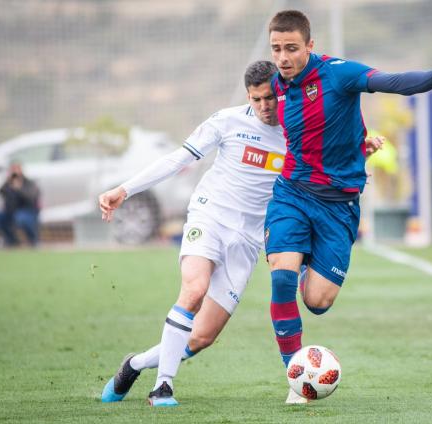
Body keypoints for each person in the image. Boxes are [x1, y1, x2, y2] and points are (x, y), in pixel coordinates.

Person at [98, 60, 384, 407]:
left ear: (282, 92)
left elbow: (330, 173)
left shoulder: (299, 131)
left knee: (202, 336)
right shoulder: (227, 121)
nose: (264, 106)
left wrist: (361, 157)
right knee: (194, 289)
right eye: (255, 99)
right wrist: (124, 190)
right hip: (211, 216)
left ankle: (135, 364)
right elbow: (176, 160)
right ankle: (163, 387)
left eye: (269, 98)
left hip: (249, 239)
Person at [263, 9, 432, 395]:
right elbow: (260, 120)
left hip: (339, 204)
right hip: (292, 192)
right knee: (280, 275)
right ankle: (295, 376)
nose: (282, 57)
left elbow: (391, 81)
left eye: (291, 48)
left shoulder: (338, 74)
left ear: (310, 46)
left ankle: (305, 260)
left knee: (317, 302)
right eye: (277, 48)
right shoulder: (275, 85)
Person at [0, 162, 40, 246]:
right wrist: (8, 182)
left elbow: (31, 197)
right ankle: (12, 241)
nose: (15, 172)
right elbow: (0, 192)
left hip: (28, 212)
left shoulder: (29, 183)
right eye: (12, 170)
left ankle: (33, 241)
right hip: (10, 212)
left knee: (21, 218)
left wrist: (19, 189)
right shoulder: (8, 183)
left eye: (16, 169)